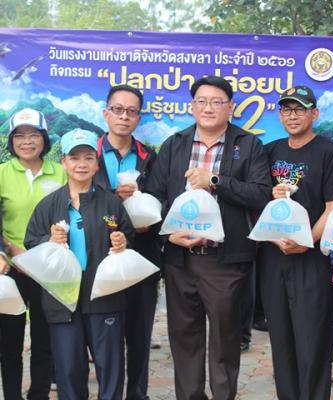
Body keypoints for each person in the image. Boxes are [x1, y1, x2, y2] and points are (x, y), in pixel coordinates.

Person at [146, 76, 271, 400]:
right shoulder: (174, 144)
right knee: (184, 340)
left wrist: (215, 180)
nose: (208, 108)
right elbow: (154, 196)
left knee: (225, 342)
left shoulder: (248, 145)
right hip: (180, 260)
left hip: (225, 261)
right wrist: (169, 235)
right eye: (201, 101)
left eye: (217, 102)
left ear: (230, 107)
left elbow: (260, 194)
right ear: (192, 106)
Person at [24, 128, 135, 399]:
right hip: (63, 300)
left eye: (88, 157)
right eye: (74, 158)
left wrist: (122, 241)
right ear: (64, 162)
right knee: (69, 369)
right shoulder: (49, 205)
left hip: (104, 296)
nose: (81, 164)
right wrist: (49, 240)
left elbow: (127, 235)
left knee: (110, 367)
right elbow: (31, 242)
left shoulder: (111, 203)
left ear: (97, 163)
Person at [259, 85, 333, 400]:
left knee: (312, 343)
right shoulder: (269, 151)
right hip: (273, 258)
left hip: (310, 258)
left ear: (314, 114)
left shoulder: (329, 151)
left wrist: (306, 241)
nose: (292, 115)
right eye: (286, 109)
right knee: (281, 342)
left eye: (299, 109)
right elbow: (258, 200)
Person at [94, 84, 160, 400]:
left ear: (138, 117)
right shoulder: (88, 153)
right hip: (99, 255)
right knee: (105, 337)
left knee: (139, 335)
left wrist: (147, 214)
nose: (124, 116)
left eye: (131, 111)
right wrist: (112, 199)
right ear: (106, 113)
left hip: (142, 257)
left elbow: (162, 198)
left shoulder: (150, 156)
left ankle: (137, 394)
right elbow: (77, 197)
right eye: (118, 109)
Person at [0, 108, 66, 400]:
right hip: (10, 269)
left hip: (49, 270)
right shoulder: (2, 173)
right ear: (11, 140)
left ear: (45, 139)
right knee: (9, 343)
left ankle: (38, 393)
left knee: (44, 340)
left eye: (34, 135)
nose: (27, 141)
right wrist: (7, 250)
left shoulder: (61, 173)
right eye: (19, 135)